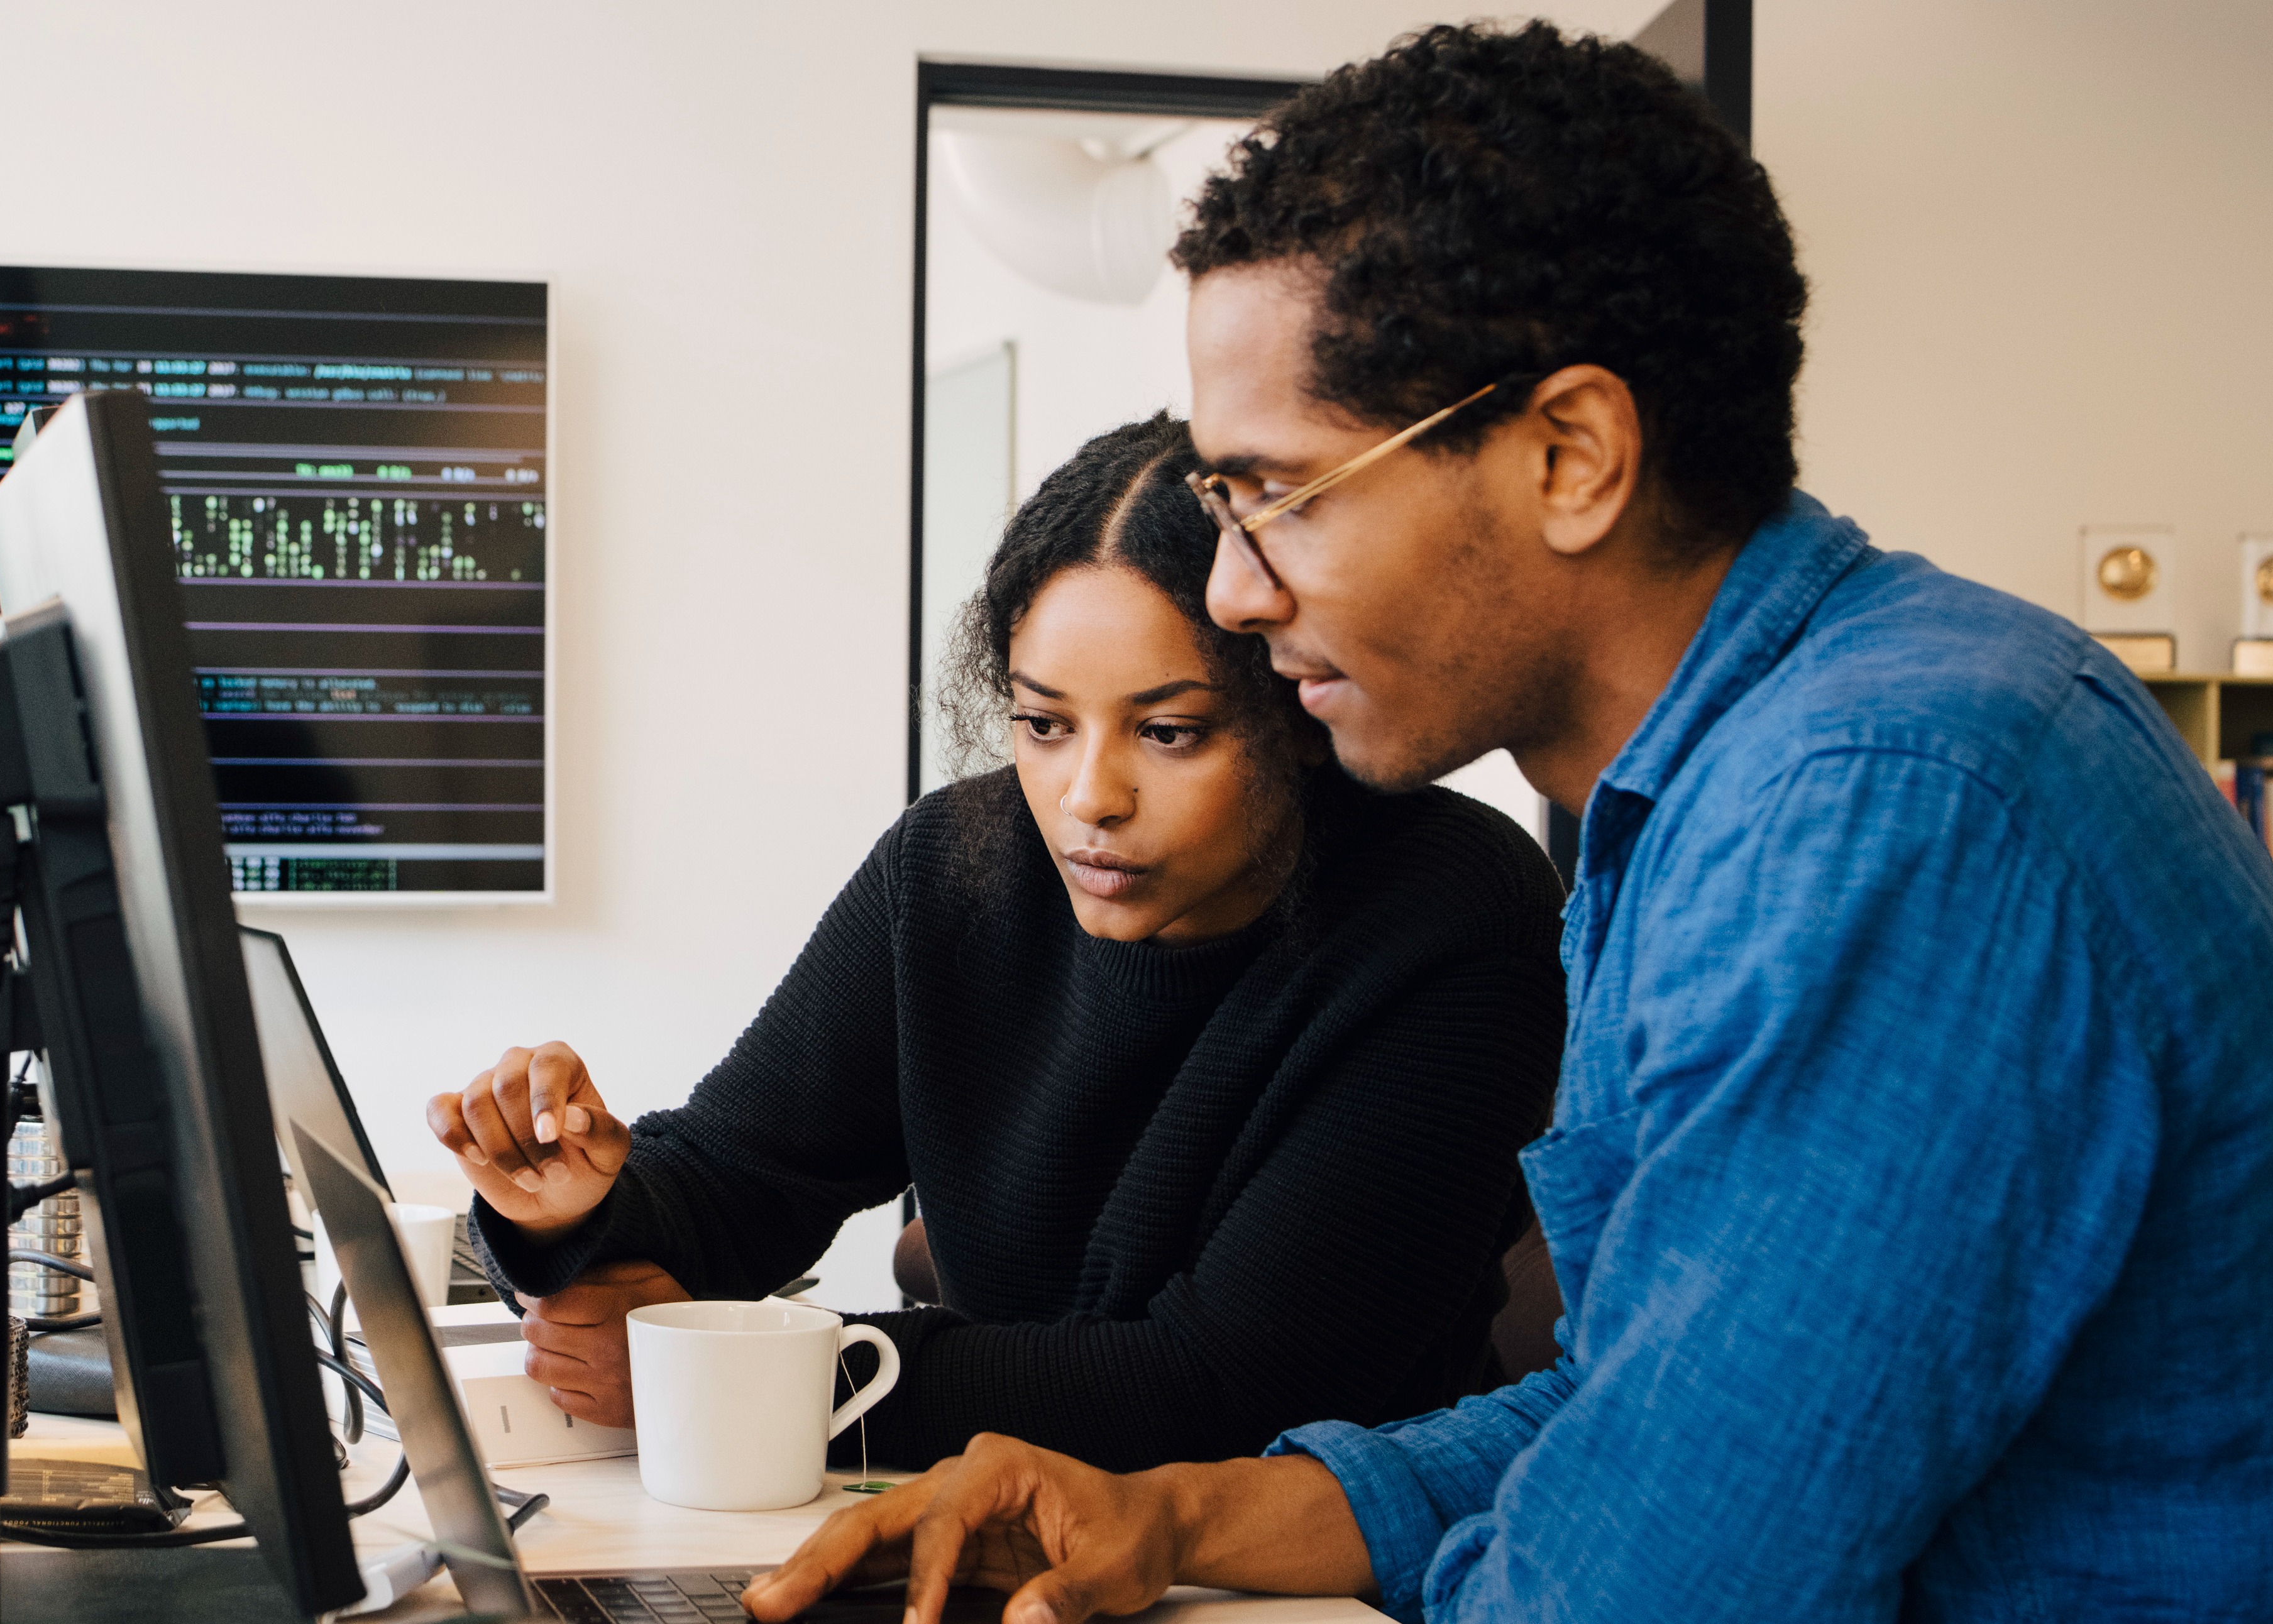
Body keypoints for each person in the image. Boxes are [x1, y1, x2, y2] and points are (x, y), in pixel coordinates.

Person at [742, 23, 2273, 1624]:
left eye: (1273, 497)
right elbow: (1621, 1415)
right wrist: (1173, 1513)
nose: (1229, 591)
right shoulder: (1696, 796)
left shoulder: (1886, 813)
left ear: (1570, 456)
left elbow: (1656, 1585)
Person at [428, 412, 1569, 1474]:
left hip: (1299, 1586)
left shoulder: (1449, 912)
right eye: (1042, 723)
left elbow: (1228, 1385)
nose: (1088, 799)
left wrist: (755, 1382)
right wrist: (572, 1210)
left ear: (1296, 713)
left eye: (1168, 732)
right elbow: (743, 1173)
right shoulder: (957, 867)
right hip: (1004, 1522)